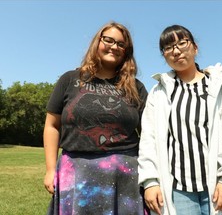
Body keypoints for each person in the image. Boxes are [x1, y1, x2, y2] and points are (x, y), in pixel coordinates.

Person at [138, 25, 222, 215]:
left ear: (195, 48)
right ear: (164, 55)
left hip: (218, 186)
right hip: (179, 189)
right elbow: (149, 140)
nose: (176, 50)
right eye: (168, 47)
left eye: (182, 43)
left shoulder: (220, 85)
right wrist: (150, 181)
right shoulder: (159, 92)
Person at [43, 21, 148, 214]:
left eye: (121, 44)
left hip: (125, 176)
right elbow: (52, 126)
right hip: (75, 173)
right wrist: (50, 170)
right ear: (97, 42)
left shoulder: (136, 87)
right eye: (108, 40)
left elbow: (150, 135)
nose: (114, 46)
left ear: (126, 51)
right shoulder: (69, 80)